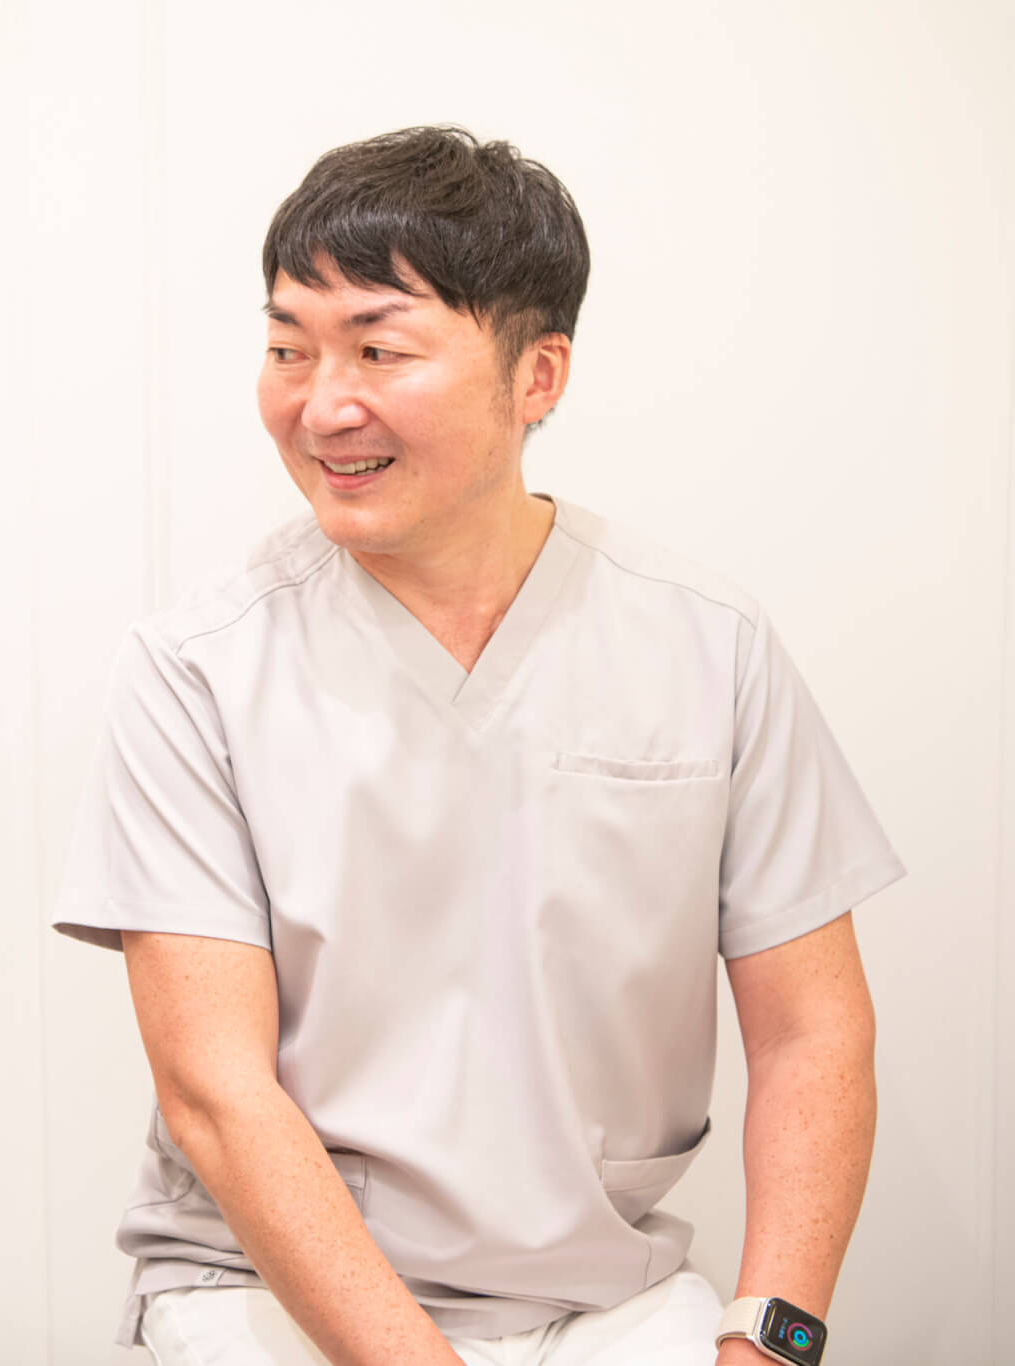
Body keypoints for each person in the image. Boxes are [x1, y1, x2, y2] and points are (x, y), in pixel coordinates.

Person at [53, 128, 901, 1366]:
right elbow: (215, 1096)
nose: (319, 404)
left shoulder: (706, 643)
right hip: (268, 1298)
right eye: (287, 347)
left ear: (535, 375)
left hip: (599, 1302)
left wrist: (763, 1342)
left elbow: (809, 1034)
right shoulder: (197, 671)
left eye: (377, 349)